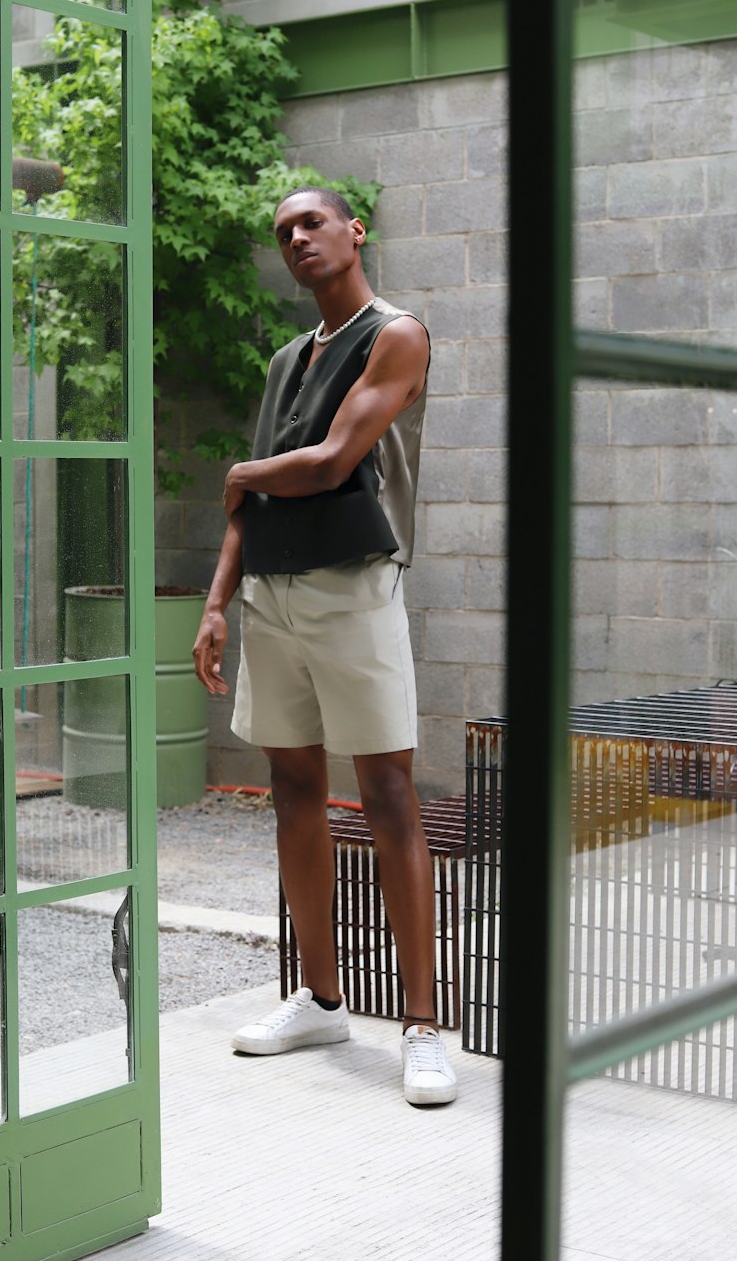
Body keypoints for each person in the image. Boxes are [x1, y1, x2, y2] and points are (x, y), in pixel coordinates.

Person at [192, 186, 457, 1107]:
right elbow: (252, 502)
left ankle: (423, 1025)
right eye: (283, 232)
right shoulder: (282, 361)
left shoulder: (398, 334)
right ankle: (321, 996)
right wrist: (218, 600)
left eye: (312, 222)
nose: (297, 238)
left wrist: (240, 470)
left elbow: (335, 461)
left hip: (354, 589)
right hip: (271, 595)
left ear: (355, 232)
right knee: (294, 789)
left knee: (387, 791)